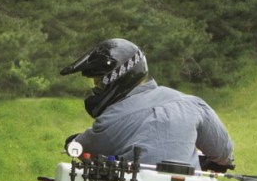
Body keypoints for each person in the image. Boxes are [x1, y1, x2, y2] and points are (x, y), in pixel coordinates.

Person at [60, 38, 235, 171]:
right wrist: (211, 161)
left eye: (98, 82)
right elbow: (224, 153)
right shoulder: (191, 104)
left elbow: (82, 147)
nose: (96, 88)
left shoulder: (111, 121)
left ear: (115, 78)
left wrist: (72, 141)